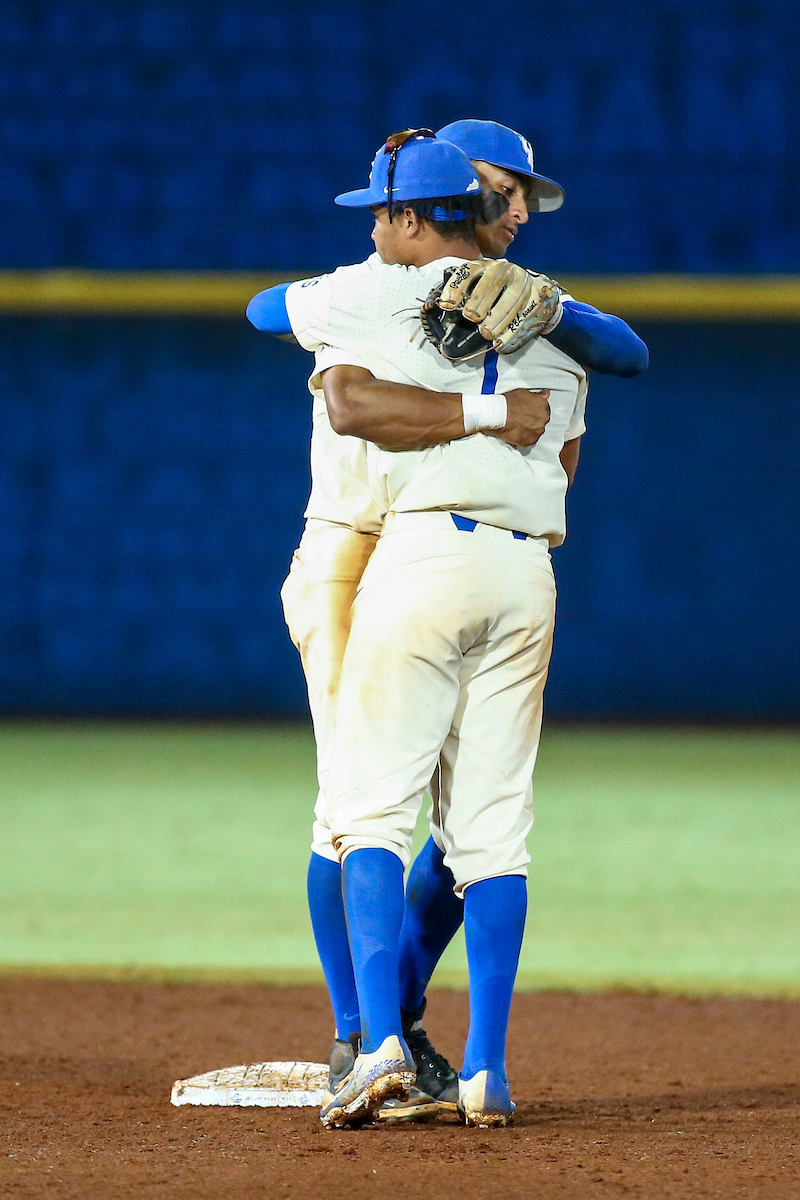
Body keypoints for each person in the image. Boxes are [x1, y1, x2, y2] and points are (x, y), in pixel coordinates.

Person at [247, 125, 648, 1122]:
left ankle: (392, 1025)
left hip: (421, 555)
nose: (519, 213)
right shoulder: (372, 285)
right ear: (460, 196)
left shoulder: (525, 312)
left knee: (403, 820)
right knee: (363, 811)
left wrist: (557, 307)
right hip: (355, 547)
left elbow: (618, 348)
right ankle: (363, 1038)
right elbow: (271, 314)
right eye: (504, 193)